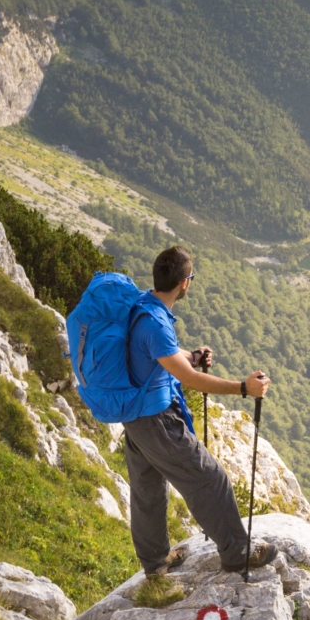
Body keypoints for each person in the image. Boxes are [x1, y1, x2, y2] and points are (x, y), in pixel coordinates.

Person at [122, 245, 278, 576]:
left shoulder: (142, 305)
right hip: (157, 420)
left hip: (134, 416)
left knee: (148, 489)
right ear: (185, 283)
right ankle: (237, 552)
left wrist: (191, 356)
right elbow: (191, 380)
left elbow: (161, 353)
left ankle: (155, 562)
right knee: (211, 479)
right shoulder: (156, 323)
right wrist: (244, 388)